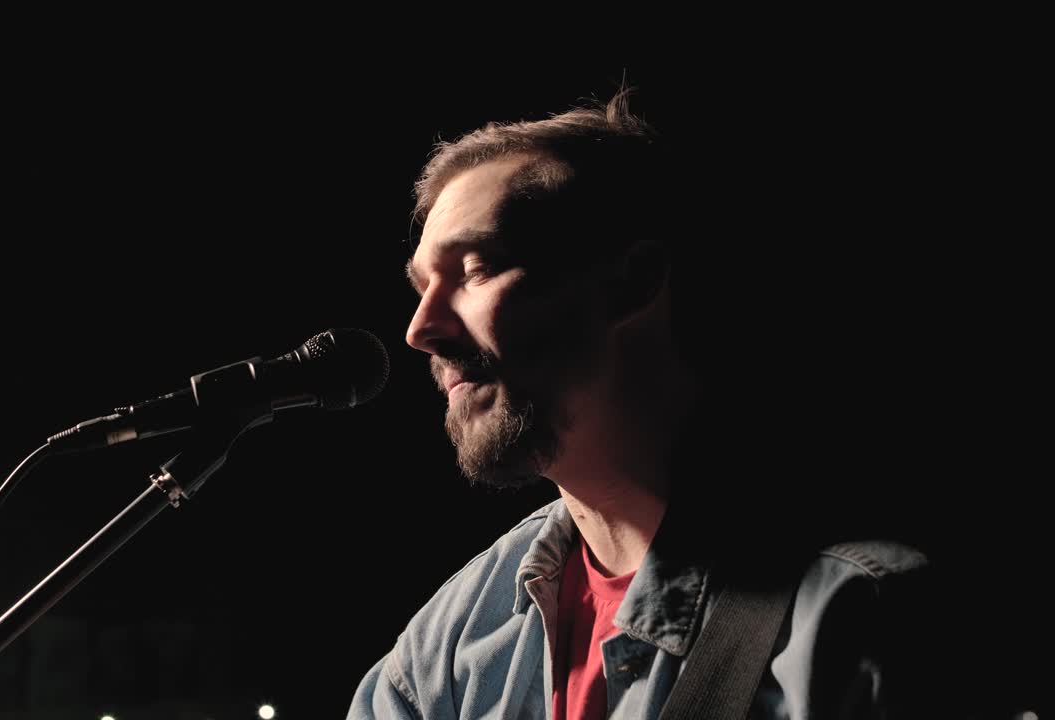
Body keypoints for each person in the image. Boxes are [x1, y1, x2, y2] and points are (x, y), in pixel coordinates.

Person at [347, 87, 936, 719]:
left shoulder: (856, 619)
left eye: (477, 268)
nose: (419, 328)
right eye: (421, 286)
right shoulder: (445, 649)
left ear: (632, 283)